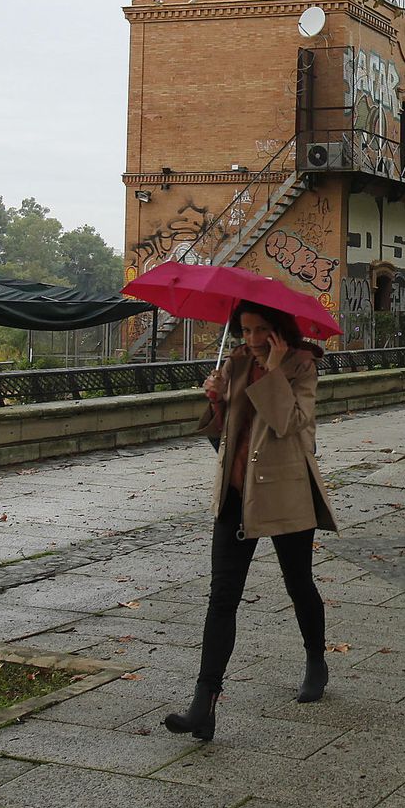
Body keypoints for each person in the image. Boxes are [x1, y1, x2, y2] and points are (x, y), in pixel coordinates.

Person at [163, 300, 338, 742]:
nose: (254, 340)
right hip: (236, 495)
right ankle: (203, 705)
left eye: (262, 330)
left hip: (285, 493)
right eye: (245, 330)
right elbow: (223, 438)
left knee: (298, 581)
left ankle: (316, 659)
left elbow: (292, 424)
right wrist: (218, 400)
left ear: (280, 330)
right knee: (222, 597)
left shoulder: (302, 365)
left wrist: (275, 371)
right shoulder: (236, 362)